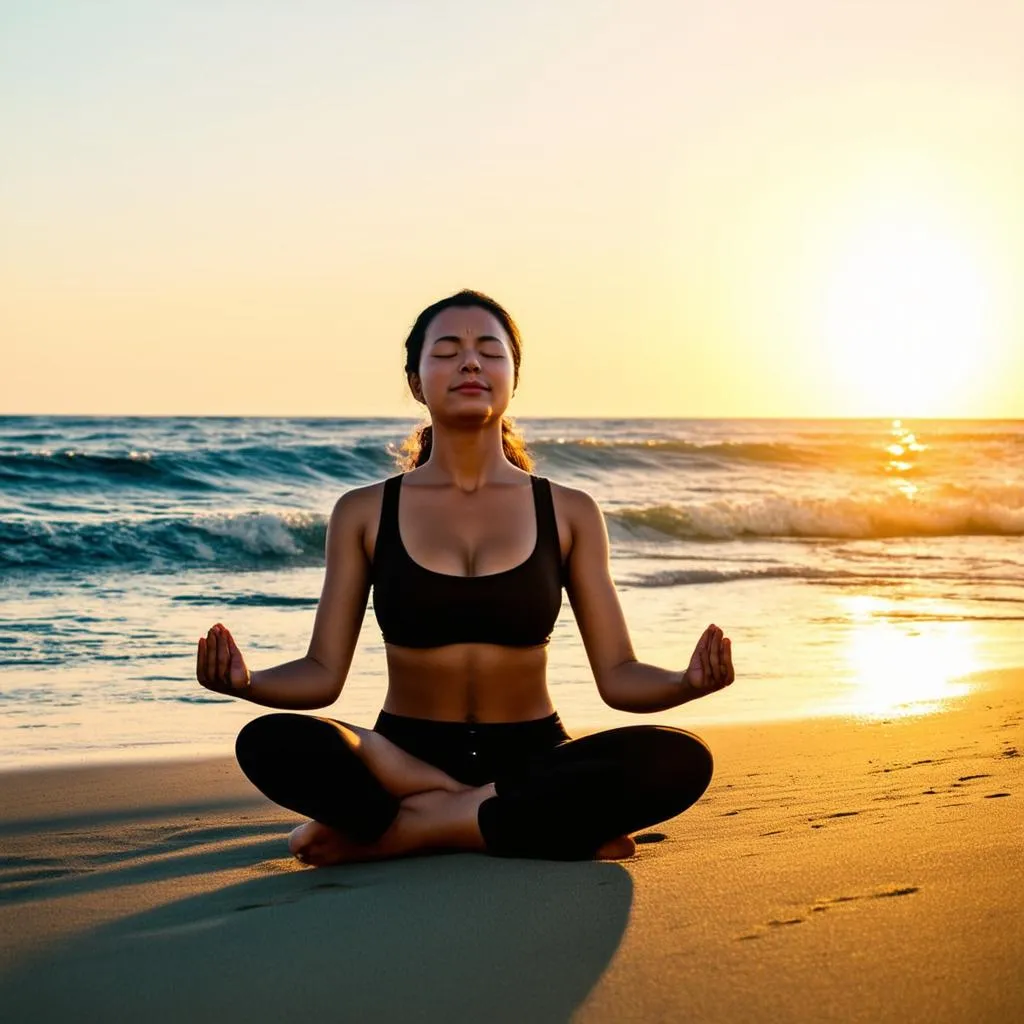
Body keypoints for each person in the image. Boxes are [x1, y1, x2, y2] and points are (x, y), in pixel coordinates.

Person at [196, 288, 735, 866]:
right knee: (270, 741)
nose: (471, 363)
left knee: (680, 760)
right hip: (399, 757)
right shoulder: (362, 511)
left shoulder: (571, 511)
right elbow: (322, 675)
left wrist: (685, 683)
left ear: (513, 377)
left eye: (490, 351)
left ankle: (413, 828)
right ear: (415, 379)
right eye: (448, 350)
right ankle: (511, 821)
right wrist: (246, 683)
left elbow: (619, 677)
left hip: (532, 754)